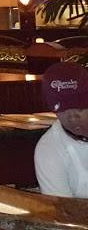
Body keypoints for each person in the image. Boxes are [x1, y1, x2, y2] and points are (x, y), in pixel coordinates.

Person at [35, 62, 88, 198]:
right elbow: (62, 208)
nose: (72, 117)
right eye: (62, 109)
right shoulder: (49, 148)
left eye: (80, 108)